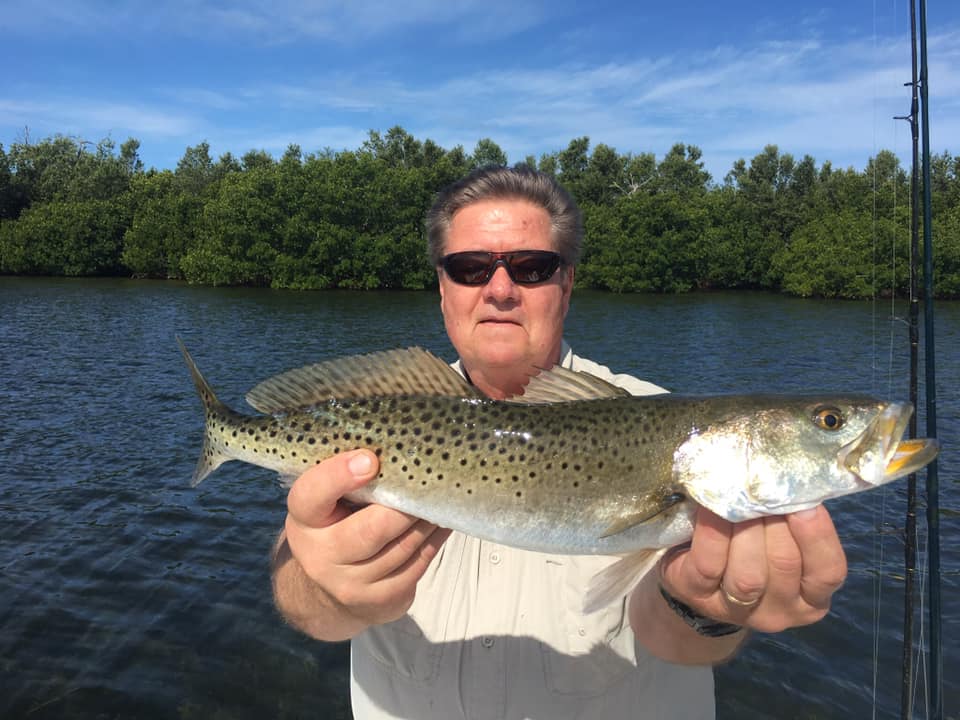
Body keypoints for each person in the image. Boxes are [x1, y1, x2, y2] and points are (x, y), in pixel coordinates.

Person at [270, 165, 848, 718]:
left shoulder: (658, 420)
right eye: (471, 267)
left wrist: (707, 610)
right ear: (443, 289)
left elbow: (681, 641)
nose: (500, 289)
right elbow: (301, 598)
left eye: (531, 267)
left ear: (566, 285)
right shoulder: (379, 420)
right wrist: (323, 591)